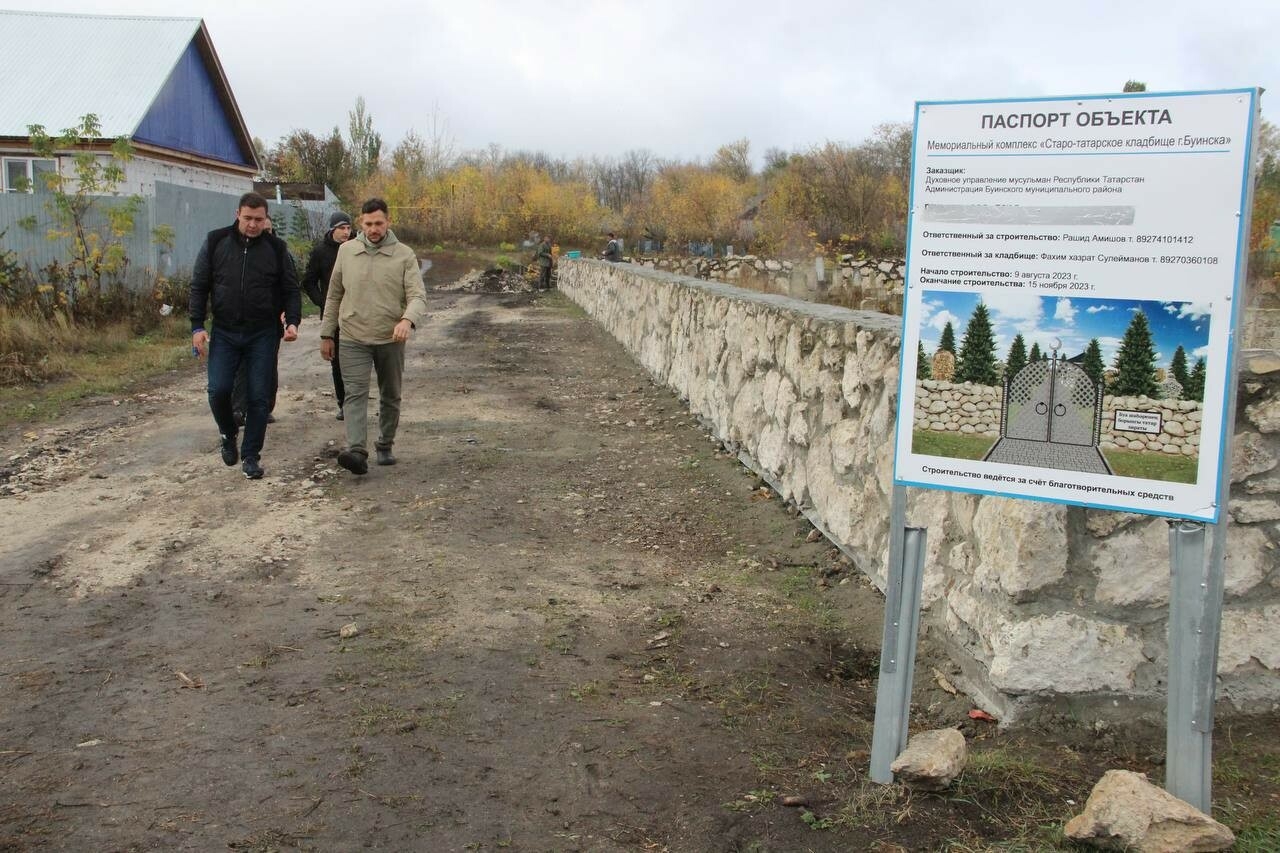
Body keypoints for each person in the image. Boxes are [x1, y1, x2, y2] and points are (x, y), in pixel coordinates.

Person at [190, 193, 301, 480]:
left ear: (266, 219)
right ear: (237, 213)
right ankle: (228, 433)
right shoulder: (216, 242)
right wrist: (197, 326)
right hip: (225, 331)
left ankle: (251, 456)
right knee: (218, 389)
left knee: (258, 396)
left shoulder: (276, 249)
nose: (253, 225)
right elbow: (199, 285)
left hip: (263, 332)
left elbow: (290, 288)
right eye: (248, 218)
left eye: (259, 219)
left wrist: (293, 321)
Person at [319, 198, 427, 475]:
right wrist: (326, 334)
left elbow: (417, 296)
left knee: (390, 394)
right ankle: (357, 451)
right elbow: (333, 296)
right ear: (360, 223)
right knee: (354, 394)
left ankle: (385, 443)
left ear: (388, 222)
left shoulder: (404, 255)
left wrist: (407, 320)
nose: (373, 229)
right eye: (368, 224)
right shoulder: (346, 252)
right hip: (352, 337)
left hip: (391, 338)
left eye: (379, 223)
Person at [302, 211, 354, 419]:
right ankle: (344, 404)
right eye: (342, 228)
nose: (346, 232)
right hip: (333, 316)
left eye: (348, 228)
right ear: (332, 229)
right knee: (338, 361)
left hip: (355, 313)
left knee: (355, 360)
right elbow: (308, 281)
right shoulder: (321, 252)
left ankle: (355, 401)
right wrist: (322, 301)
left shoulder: (356, 249)